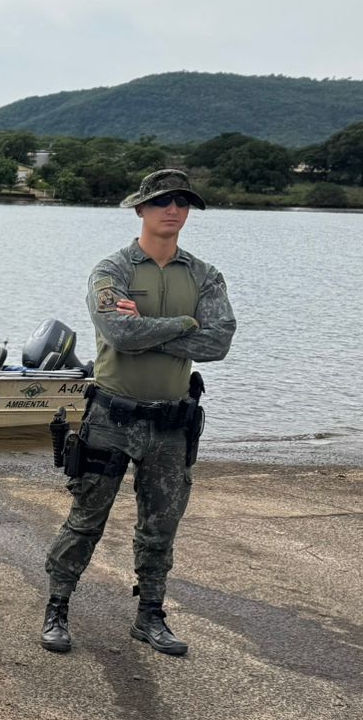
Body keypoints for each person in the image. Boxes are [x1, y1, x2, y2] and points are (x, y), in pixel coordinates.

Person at [41, 169, 236, 657]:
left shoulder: (204, 275)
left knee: (160, 524)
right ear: (141, 210)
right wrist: (184, 323)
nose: (173, 210)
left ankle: (150, 615)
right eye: (163, 202)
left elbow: (218, 342)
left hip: (172, 423)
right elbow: (120, 334)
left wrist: (151, 326)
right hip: (112, 418)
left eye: (182, 202)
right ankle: (57, 608)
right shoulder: (113, 270)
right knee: (86, 518)